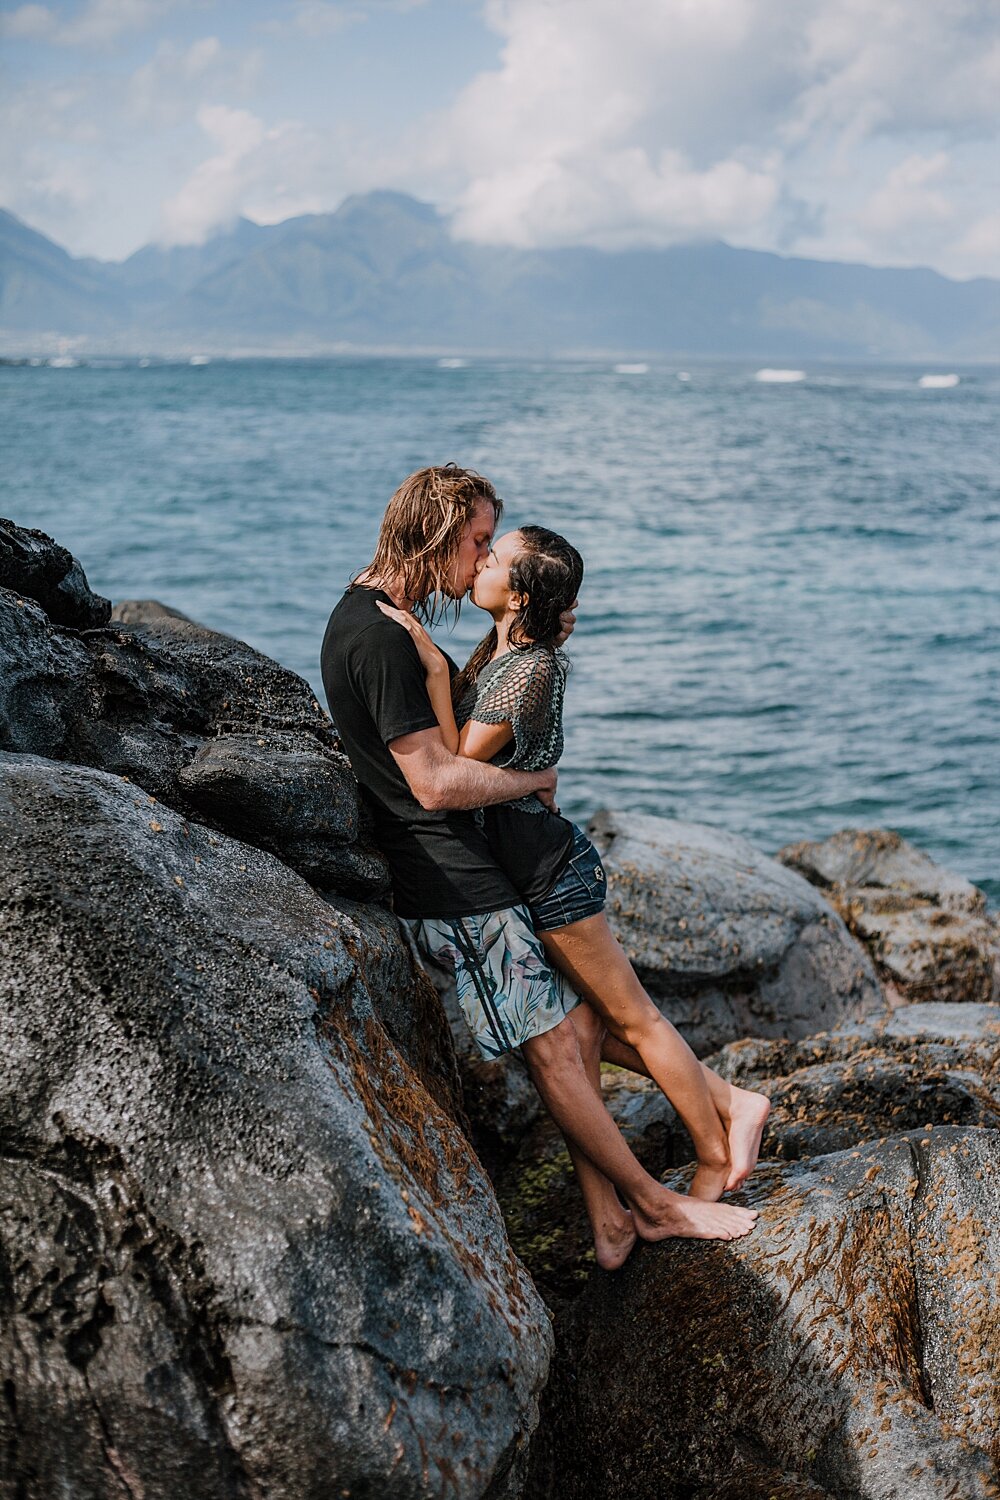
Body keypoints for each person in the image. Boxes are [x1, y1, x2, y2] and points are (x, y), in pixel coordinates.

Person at [321, 465, 758, 1264]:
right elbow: (434, 779)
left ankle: (616, 1215)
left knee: (585, 1025)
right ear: (439, 530)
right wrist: (533, 779)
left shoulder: (395, 622)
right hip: (450, 882)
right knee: (559, 1046)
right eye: (480, 541)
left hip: (478, 869)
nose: (483, 558)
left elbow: (493, 700)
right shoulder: (382, 636)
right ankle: (655, 1203)